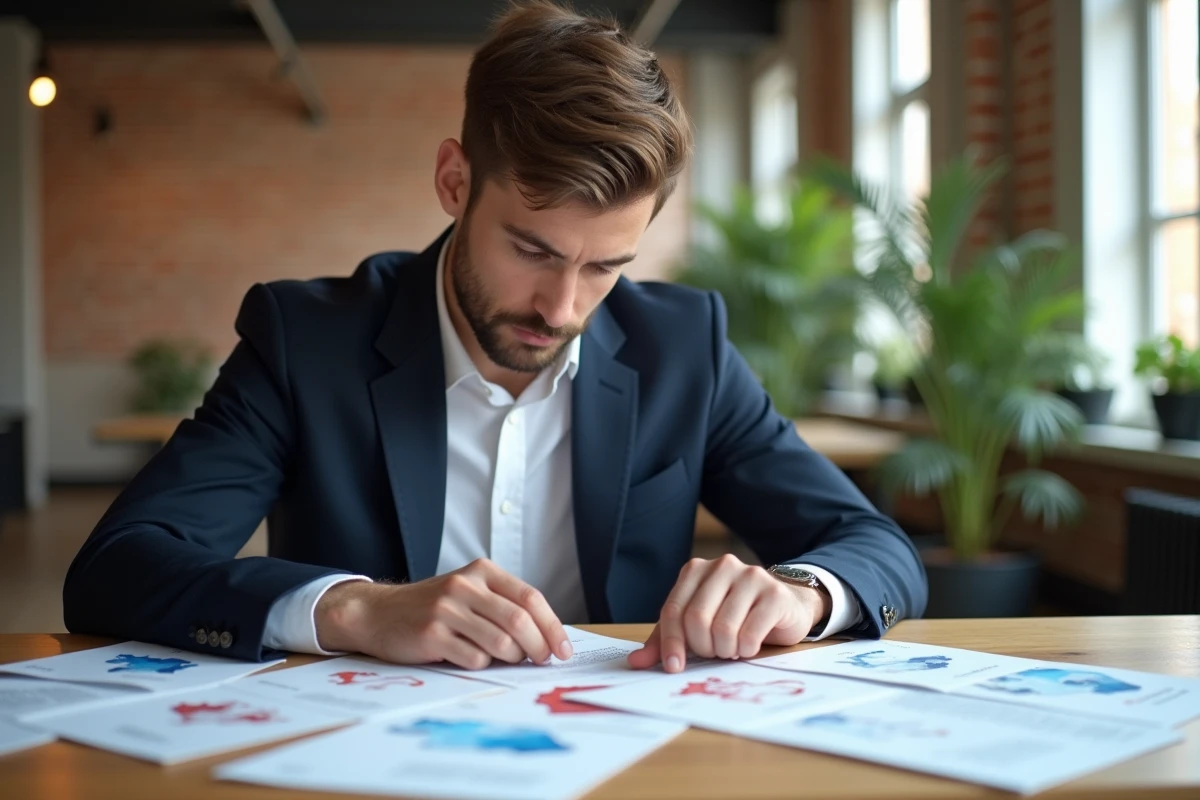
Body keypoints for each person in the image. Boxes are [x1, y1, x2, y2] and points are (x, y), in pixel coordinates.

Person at [63, 0, 926, 674]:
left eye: (604, 267)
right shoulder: (306, 340)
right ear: (453, 180)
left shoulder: (683, 348)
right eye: (532, 249)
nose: (562, 306)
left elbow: (878, 548)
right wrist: (353, 610)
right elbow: (118, 569)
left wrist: (801, 594)